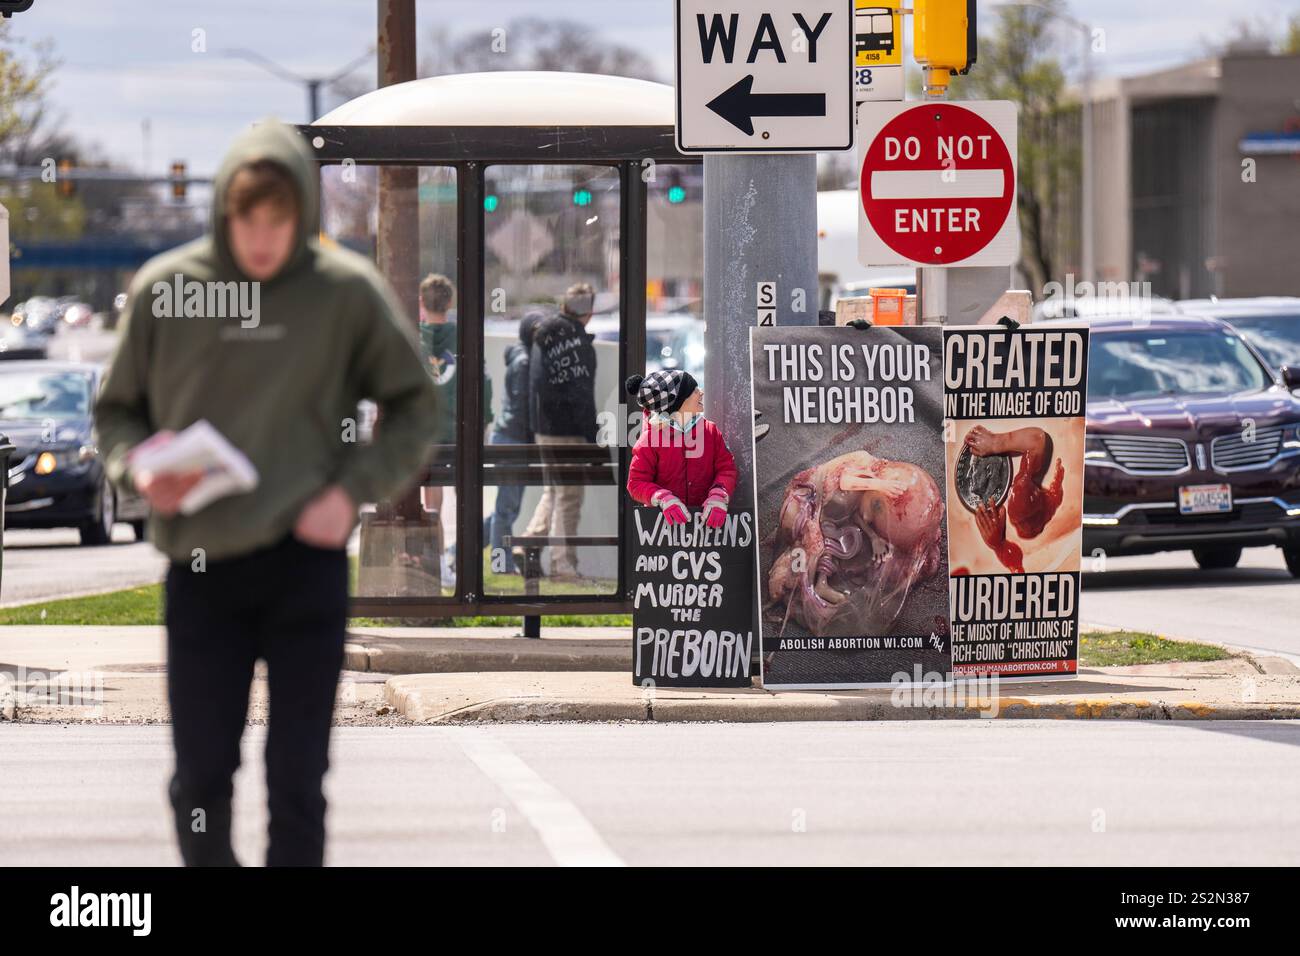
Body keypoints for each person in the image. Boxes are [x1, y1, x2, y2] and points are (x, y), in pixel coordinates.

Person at [94, 118, 438, 867]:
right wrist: (139, 470)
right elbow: (117, 412)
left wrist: (350, 494)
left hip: (303, 563)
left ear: (301, 217)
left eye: (278, 221)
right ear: (225, 212)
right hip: (202, 566)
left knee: (297, 782)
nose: (261, 238)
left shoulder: (342, 292)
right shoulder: (167, 291)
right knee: (200, 780)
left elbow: (416, 405)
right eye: (247, 219)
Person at [518, 283, 599, 579]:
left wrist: (531, 429)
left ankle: (529, 540)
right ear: (589, 312)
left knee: (554, 490)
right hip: (567, 429)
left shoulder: (544, 334)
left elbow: (533, 383)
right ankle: (563, 566)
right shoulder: (577, 342)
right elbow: (582, 395)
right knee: (569, 496)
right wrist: (593, 440)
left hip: (543, 427)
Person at [416, 273, 492, 585]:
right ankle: (466, 564)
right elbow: (483, 383)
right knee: (467, 499)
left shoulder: (414, 337)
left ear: (421, 302)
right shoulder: (464, 336)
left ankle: (440, 565)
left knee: (432, 504)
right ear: (451, 302)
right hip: (462, 429)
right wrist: (485, 421)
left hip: (427, 432)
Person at [625, 369, 736, 527]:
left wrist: (719, 495)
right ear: (676, 404)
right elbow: (636, 483)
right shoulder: (649, 439)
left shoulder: (710, 431)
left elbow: (726, 469)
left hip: (707, 533)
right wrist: (662, 498)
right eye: (694, 390)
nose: (701, 392)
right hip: (663, 534)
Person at [485, 311, 541, 573]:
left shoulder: (523, 356)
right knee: (506, 508)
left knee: (507, 507)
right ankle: (501, 565)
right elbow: (523, 407)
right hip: (513, 439)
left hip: (511, 437)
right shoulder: (525, 361)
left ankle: (458, 550)